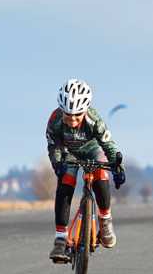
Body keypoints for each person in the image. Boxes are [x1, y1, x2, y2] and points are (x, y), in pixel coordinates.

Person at [46, 79, 125, 263]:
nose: (72, 120)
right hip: (68, 152)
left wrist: (118, 168)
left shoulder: (94, 120)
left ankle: (105, 220)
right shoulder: (55, 120)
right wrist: (58, 163)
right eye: (68, 115)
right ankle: (60, 238)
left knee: (101, 175)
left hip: (92, 150)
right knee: (65, 182)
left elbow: (109, 146)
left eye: (77, 115)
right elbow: (54, 147)